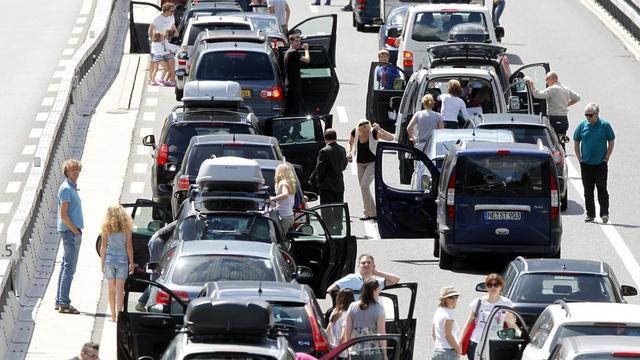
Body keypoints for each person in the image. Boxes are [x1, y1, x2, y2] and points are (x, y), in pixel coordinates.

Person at [573, 103, 614, 223]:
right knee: (588, 191)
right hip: (586, 164)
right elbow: (576, 141)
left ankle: (604, 213)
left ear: (596, 114)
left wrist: (606, 157)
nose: (588, 117)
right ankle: (590, 214)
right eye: (586, 115)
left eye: (590, 115)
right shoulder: (582, 125)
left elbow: (611, 141)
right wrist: (579, 158)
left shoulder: (605, 125)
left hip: (600, 164)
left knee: (602, 188)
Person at [347, 120, 395, 221]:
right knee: (364, 188)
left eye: (368, 130)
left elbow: (391, 138)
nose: (367, 133)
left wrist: (380, 129)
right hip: (360, 163)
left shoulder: (373, 132)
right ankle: (374, 213)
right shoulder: (354, 132)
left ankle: (366, 213)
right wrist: (349, 152)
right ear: (359, 130)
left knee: (364, 186)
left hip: (372, 163)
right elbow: (350, 143)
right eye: (364, 131)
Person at [460, 274, 513, 360]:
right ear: (486, 287)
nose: (493, 287)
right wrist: (460, 342)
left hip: (495, 343)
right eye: (489, 285)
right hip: (476, 342)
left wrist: (519, 338)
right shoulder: (478, 302)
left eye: (496, 285)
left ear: (501, 286)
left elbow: (511, 324)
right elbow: (468, 323)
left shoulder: (506, 303)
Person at [56, 159, 84, 315]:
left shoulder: (70, 187)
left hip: (70, 231)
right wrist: (76, 231)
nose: (76, 172)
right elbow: (64, 215)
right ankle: (64, 303)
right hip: (70, 232)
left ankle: (59, 300)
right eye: (73, 170)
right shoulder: (66, 189)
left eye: (77, 169)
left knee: (65, 265)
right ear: (66, 171)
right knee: (69, 268)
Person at [100, 205, 134, 322]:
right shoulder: (127, 228)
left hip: (109, 259)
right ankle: (120, 315)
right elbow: (129, 246)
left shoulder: (106, 227)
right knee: (120, 290)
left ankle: (113, 315)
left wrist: (102, 263)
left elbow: (103, 246)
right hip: (122, 259)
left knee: (111, 289)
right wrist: (132, 263)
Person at [526, 71, 580, 144]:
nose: (546, 81)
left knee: (553, 142)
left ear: (552, 78)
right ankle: (563, 154)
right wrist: (566, 104)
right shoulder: (565, 88)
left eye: (546, 79)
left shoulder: (553, 89)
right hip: (564, 119)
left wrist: (531, 83)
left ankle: (556, 155)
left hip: (554, 118)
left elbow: (537, 95)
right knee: (561, 142)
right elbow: (577, 98)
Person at [136, 221, 177, 312]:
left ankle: (142, 302)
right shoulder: (187, 222)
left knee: (160, 277)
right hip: (158, 243)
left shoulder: (187, 220)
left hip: (160, 243)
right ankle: (149, 305)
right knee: (155, 276)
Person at [342, 278, 387, 360]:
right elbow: (382, 334)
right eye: (378, 289)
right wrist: (385, 354)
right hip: (373, 352)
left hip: (355, 350)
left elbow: (347, 331)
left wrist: (346, 350)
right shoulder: (379, 309)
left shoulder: (352, 306)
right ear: (375, 290)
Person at [315, 128, 348, 234]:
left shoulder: (324, 151)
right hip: (339, 183)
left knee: (326, 209)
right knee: (338, 208)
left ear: (325, 138)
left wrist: (318, 182)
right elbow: (343, 165)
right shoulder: (342, 149)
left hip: (327, 185)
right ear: (336, 138)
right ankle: (338, 228)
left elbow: (321, 169)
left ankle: (328, 229)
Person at [327, 254, 400, 298]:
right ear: (358, 265)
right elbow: (331, 290)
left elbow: (395, 279)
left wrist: (376, 272)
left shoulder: (375, 282)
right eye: (363, 263)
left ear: (373, 266)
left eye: (369, 263)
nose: (366, 264)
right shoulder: (351, 278)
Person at [284, 35, 310, 116]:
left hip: (290, 85)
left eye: (299, 41)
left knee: (289, 110)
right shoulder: (293, 53)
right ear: (291, 42)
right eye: (296, 41)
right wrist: (306, 50)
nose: (298, 43)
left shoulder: (287, 52)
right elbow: (307, 60)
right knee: (296, 110)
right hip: (293, 86)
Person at [432, 286, 462, 360]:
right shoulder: (449, 315)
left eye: (456, 297)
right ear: (444, 299)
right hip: (448, 352)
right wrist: (458, 350)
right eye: (451, 297)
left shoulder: (438, 311)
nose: (454, 299)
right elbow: (448, 335)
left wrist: (439, 345)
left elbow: (433, 333)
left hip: (437, 351)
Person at [326, 288, 355, 357]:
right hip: (342, 353)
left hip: (332, 349)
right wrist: (338, 350)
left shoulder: (335, 311)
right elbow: (343, 337)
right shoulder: (347, 315)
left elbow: (328, 331)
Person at [270, 163, 298, 236]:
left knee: (279, 237)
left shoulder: (283, 182)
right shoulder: (290, 183)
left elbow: (285, 194)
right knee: (282, 237)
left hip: (284, 216)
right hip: (289, 215)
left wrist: (271, 199)